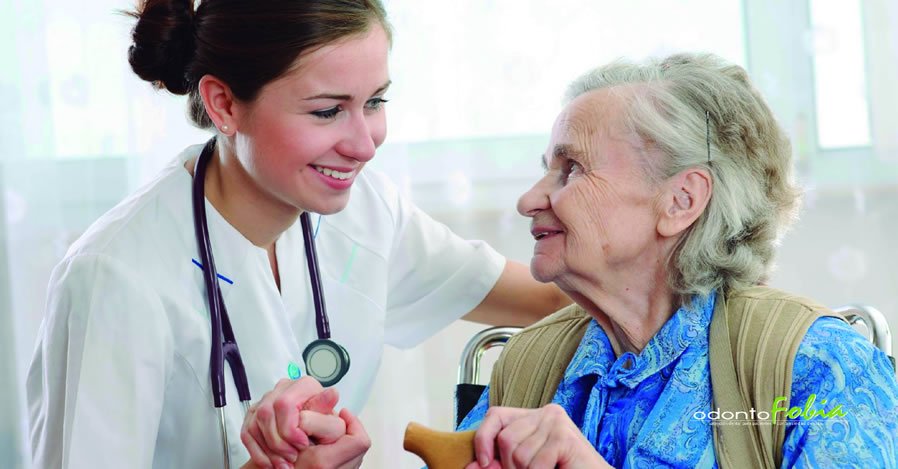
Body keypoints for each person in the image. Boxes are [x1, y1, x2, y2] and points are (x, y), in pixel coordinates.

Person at [25, 1, 570, 468]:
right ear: (223, 104)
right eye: (329, 110)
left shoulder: (365, 213)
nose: (365, 143)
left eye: (375, 101)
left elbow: (553, 297)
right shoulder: (115, 276)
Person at [457, 53, 898, 468]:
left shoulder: (820, 366)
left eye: (572, 167)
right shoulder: (526, 363)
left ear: (680, 201)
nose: (529, 200)